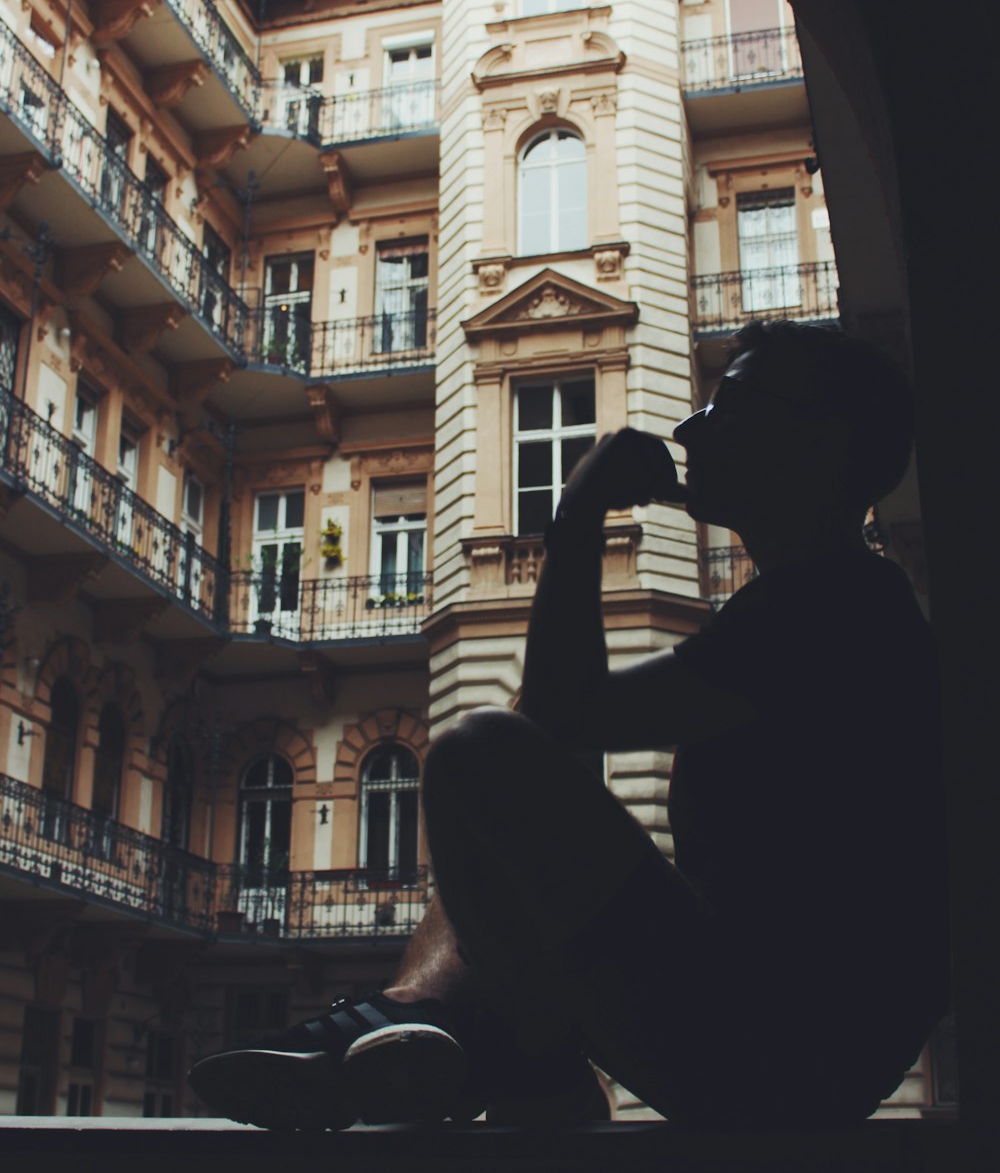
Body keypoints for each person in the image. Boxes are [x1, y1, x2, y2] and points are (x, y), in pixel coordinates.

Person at [188, 320, 950, 1131]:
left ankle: (503, 1052)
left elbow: (555, 715)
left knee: (479, 752)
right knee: (500, 782)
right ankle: (423, 1017)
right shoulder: (830, 603)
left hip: (779, 1061)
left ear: (817, 444)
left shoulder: (837, 610)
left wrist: (580, 510)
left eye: (731, 406)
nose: (692, 427)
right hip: (787, 1049)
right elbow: (564, 734)